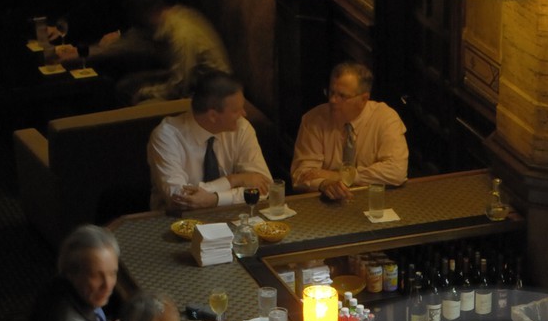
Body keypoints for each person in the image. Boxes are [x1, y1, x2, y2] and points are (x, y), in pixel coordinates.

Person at [147, 70, 271, 214]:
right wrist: (233, 181)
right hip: (174, 221)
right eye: (237, 110)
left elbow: (264, 188)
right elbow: (180, 199)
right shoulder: (167, 136)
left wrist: (215, 199)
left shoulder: (242, 128)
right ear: (213, 116)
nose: (244, 114)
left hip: (231, 216)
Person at [291, 62, 408, 200]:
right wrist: (325, 183)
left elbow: (397, 171)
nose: (333, 100)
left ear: (364, 99)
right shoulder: (314, 120)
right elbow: (301, 176)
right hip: (327, 204)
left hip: (375, 200)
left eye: (342, 96)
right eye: (331, 92)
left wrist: (343, 176)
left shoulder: (385, 118)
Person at [118, 0, 231, 105]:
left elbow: (179, 86)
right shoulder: (177, 17)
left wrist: (145, 92)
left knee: (143, 106)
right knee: (127, 84)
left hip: (214, 96)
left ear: (153, 10)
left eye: (142, 16)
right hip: (195, 84)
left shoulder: (182, 34)